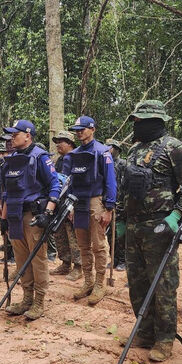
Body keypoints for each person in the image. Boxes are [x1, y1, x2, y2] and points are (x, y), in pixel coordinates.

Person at [121, 100, 182, 361]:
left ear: (154, 122)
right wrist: (121, 217)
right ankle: (144, 332)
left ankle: (165, 338)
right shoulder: (134, 149)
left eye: (139, 121)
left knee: (163, 285)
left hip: (160, 225)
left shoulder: (174, 148)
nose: (136, 126)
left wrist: (176, 215)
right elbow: (127, 186)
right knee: (137, 282)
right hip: (134, 225)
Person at [0, 120, 61, 320]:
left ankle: (39, 301)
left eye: (15, 134)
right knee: (21, 258)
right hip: (14, 214)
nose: (12, 138)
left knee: (37, 259)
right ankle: (26, 298)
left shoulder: (40, 157)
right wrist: (4, 217)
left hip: (33, 215)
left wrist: (48, 212)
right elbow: (7, 191)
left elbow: (55, 186)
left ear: (28, 136)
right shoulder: (11, 159)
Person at [65, 116, 117, 306]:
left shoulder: (102, 152)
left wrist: (108, 208)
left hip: (96, 201)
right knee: (83, 245)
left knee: (98, 245)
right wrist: (70, 206)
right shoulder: (74, 154)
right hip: (78, 202)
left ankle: (100, 283)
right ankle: (88, 281)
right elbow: (70, 182)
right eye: (77, 130)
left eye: (83, 129)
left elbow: (110, 181)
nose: (79, 132)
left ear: (92, 129)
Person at [49, 131, 82, 281]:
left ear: (69, 143)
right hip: (59, 202)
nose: (58, 145)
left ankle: (78, 267)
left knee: (73, 235)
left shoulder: (76, 157)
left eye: (60, 141)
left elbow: (76, 182)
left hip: (72, 202)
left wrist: (73, 205)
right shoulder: (60, 160)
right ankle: (65, 262)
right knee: (60, 233)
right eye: (56, 142)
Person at [106, 138, 128, 271]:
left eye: (111, 147)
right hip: (109, 203)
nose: (109, 149)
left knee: (120, 233)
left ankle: (123, 260)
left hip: (121, 203)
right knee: (110, 234)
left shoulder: (123, 164)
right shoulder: (105, 163)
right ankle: (113, 258)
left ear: (117, 150)